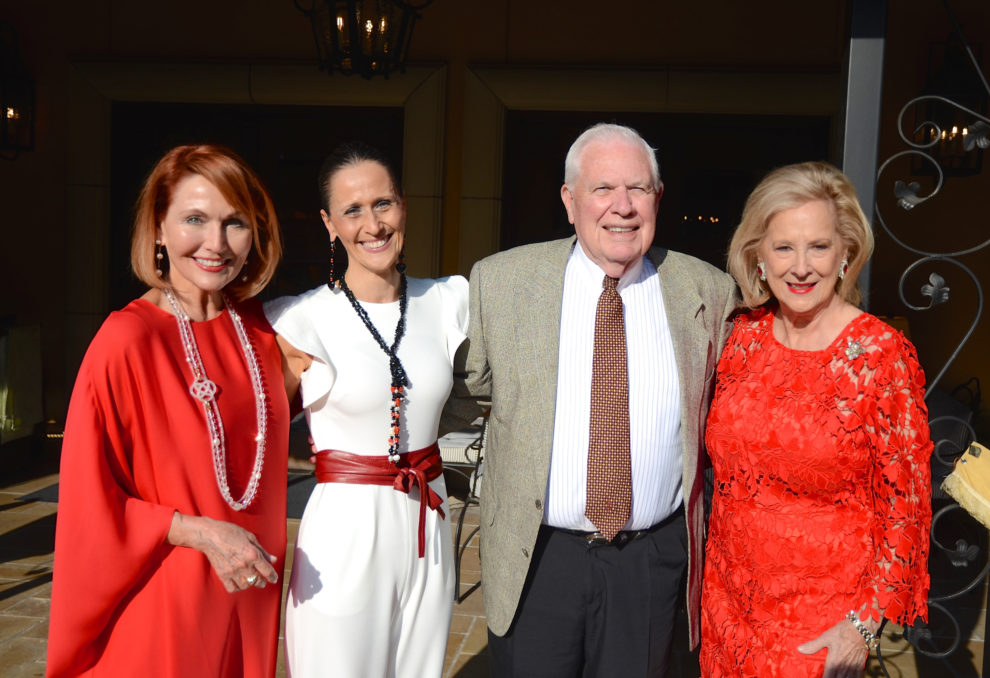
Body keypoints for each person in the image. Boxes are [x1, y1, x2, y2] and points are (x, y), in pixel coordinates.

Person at [451, 123, 737, 677]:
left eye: (638, 189)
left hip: (651, 561)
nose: (622, 207)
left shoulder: (706, 291)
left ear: (658, 198)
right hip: (538, 559)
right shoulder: (503, 282)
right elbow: (454, 394)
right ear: (570, 200)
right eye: (603, 189)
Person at [46, 145, 288, 677]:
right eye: (194, 220)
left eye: (235, 223)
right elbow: (91, 497)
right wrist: (197, 531)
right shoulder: (125, 339)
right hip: (164, 594)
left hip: (248, 595)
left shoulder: (263, 333)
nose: (216, 244)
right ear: (158, 228)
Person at [699, 161, 933, 678]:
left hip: (820, 624)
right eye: (784, 247)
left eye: (819, 246)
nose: (800, 267)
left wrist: (864, 626)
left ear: (846, 252)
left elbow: (907, 509)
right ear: (758, 255)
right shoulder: (739, 338)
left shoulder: (879, 355)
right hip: (728, 608)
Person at [267, 141, 467, 678]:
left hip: (428, 520)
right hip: (344, 534)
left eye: (384, 204)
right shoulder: (300, 321)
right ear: (329, 224)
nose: (373, 224)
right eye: (353, 210)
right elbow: (252, 435)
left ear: (403, 206)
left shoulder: (449, 301)